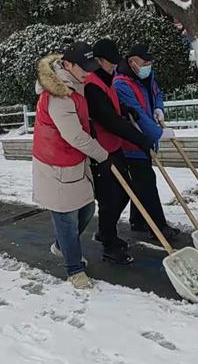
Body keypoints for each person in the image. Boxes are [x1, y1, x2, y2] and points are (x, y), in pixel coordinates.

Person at [32, 42, 113, 290]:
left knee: (87, 208)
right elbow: (74, 135)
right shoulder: (58, 95)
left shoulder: (75, 84)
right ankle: (74, 269)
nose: (88, 73)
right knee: (66, 217)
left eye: (91, 67)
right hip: (55, 163)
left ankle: (62, 246)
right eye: (84, 68)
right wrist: (103, 154)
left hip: (73, 160)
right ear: (67, 65)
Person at [85, 38, 152, 264]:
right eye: (110, 62)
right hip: (100, 151)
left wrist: (126, 109)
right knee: (109, 198)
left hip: (114, 146)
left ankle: (106, 232)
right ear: (98, 61)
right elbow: (108, 119)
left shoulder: (107, 78)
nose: (114, 66)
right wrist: (140, 139)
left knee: (125, 192)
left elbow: (112, 107)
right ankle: (109, 244)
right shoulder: (91, 85)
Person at [113, 45, 180, 240]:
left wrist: (159, 109)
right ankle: (158, 226)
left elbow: (156, 93)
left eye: (150, 62)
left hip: (146, 141)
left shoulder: (145, 77)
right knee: (147, 183)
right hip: (133, 142)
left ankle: (138, 220)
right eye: (144, 63)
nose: (148, 66)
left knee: (140, 183)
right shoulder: (121, 84)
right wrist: (157, 134)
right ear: (132, 62)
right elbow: (138, 115)